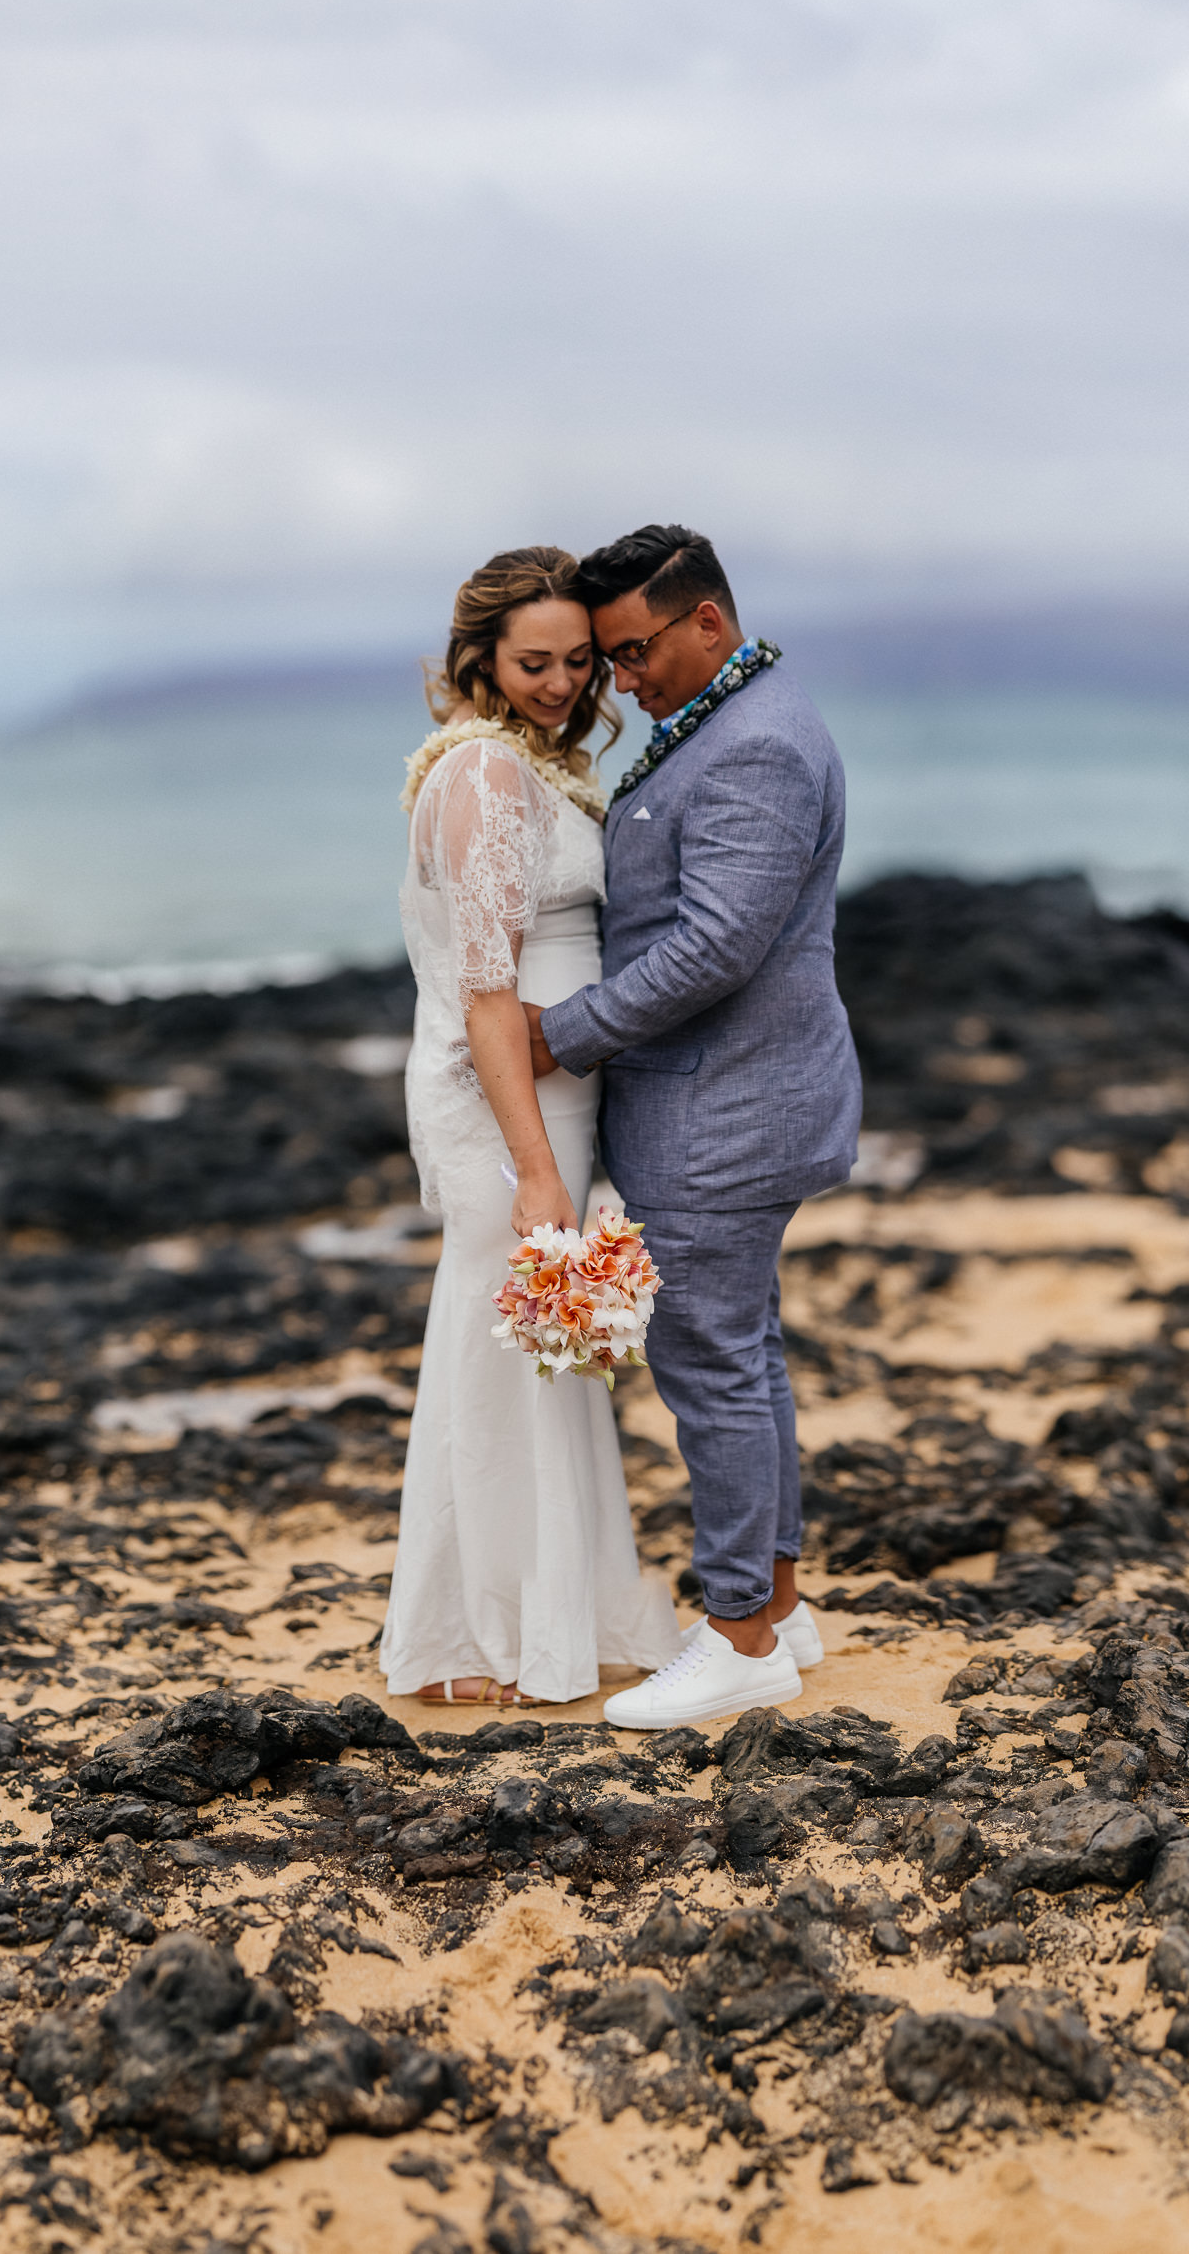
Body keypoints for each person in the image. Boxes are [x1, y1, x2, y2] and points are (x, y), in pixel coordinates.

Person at [525, 525, 863, 1727]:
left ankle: (738, 1639)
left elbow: (716, 945)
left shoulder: (759, 745)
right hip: (735, 1099)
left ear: (705, 622)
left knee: (709, 1367)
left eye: (629, 651)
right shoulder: (737, 716)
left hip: (725, 1109)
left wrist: (560, 1032)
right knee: (746, 1355)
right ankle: (772, 1602)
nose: (618, 680)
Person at [378, 547, 683, 1709]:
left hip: (544, 1093)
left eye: (575, 661)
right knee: (498, 1347)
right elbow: (489, 989)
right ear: (482, 662)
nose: (562, 683)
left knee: (544, 1354)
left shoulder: (519, 766)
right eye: (534, 663)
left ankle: (549, 1611)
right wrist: (539, 1167)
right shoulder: (488, 778)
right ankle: (475, 1634)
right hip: (507, 1103)